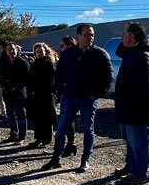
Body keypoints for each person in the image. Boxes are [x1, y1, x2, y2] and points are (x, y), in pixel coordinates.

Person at [42, 23, 113, 173]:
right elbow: (59, 73)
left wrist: (98, 93)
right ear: (78, 36)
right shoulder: (68, 53)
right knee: (61, 130)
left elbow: (108, 76)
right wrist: (61, 91)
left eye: (92, 35)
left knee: (88, 130)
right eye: (87, 34)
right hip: (69, 98)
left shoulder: (100, 54)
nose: (90, 37)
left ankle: (85, 160)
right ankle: (56, 158)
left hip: (88, 99)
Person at [113, 22, 149, 185]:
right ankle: (131, 166)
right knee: (128, 138)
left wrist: (127, 92)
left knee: (137, 140)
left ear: (132, 37)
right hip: (126, 104)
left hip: (135, 106)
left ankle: (139, 173)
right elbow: (119, 50)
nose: (121, 36)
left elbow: (144, 81)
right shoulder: (131, 50)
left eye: (124, 33)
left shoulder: (143, 55)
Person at [27, 43, 57, 147]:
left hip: (46, 95)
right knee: (38, 118)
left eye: (41, 51)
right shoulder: (36, 63)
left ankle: (47, 139)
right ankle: (39, 138)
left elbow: (48, 80)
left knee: (47, 118)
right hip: (37, 95)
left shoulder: (47, 63)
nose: (39, 53)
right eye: (37, 51)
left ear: (45, 52)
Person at [1, 42, 30, 143]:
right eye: (9, 50)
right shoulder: (6, 62)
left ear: (17, 50)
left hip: (18, 94)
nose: (11, 51)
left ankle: (22, 136)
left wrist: (15, 88)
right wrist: (4, 87)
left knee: (20, 115)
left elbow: (25, 79)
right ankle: (13, 134)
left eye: (13, 49)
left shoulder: (22, 63)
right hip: (8, 94)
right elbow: (1, 76)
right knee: (10, 115)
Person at [56, 36, 77, 156]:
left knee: (66, 122)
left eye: (62, 46)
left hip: (71, 94)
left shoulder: (73, 58)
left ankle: (70, 145)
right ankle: (70, 144)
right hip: (66, 93)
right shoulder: (65, 58)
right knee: (68, 121)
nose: (60, 48)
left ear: (69, 45)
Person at [0, 41, 11, 122]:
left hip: (3, 82)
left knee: (3, 98)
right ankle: (4, 112)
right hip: (0, 81)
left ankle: (5, 114)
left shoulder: (6, 58)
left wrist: (4, 83)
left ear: (4, 48)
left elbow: (6, 72)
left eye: (0, 47)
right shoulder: (2, 57)